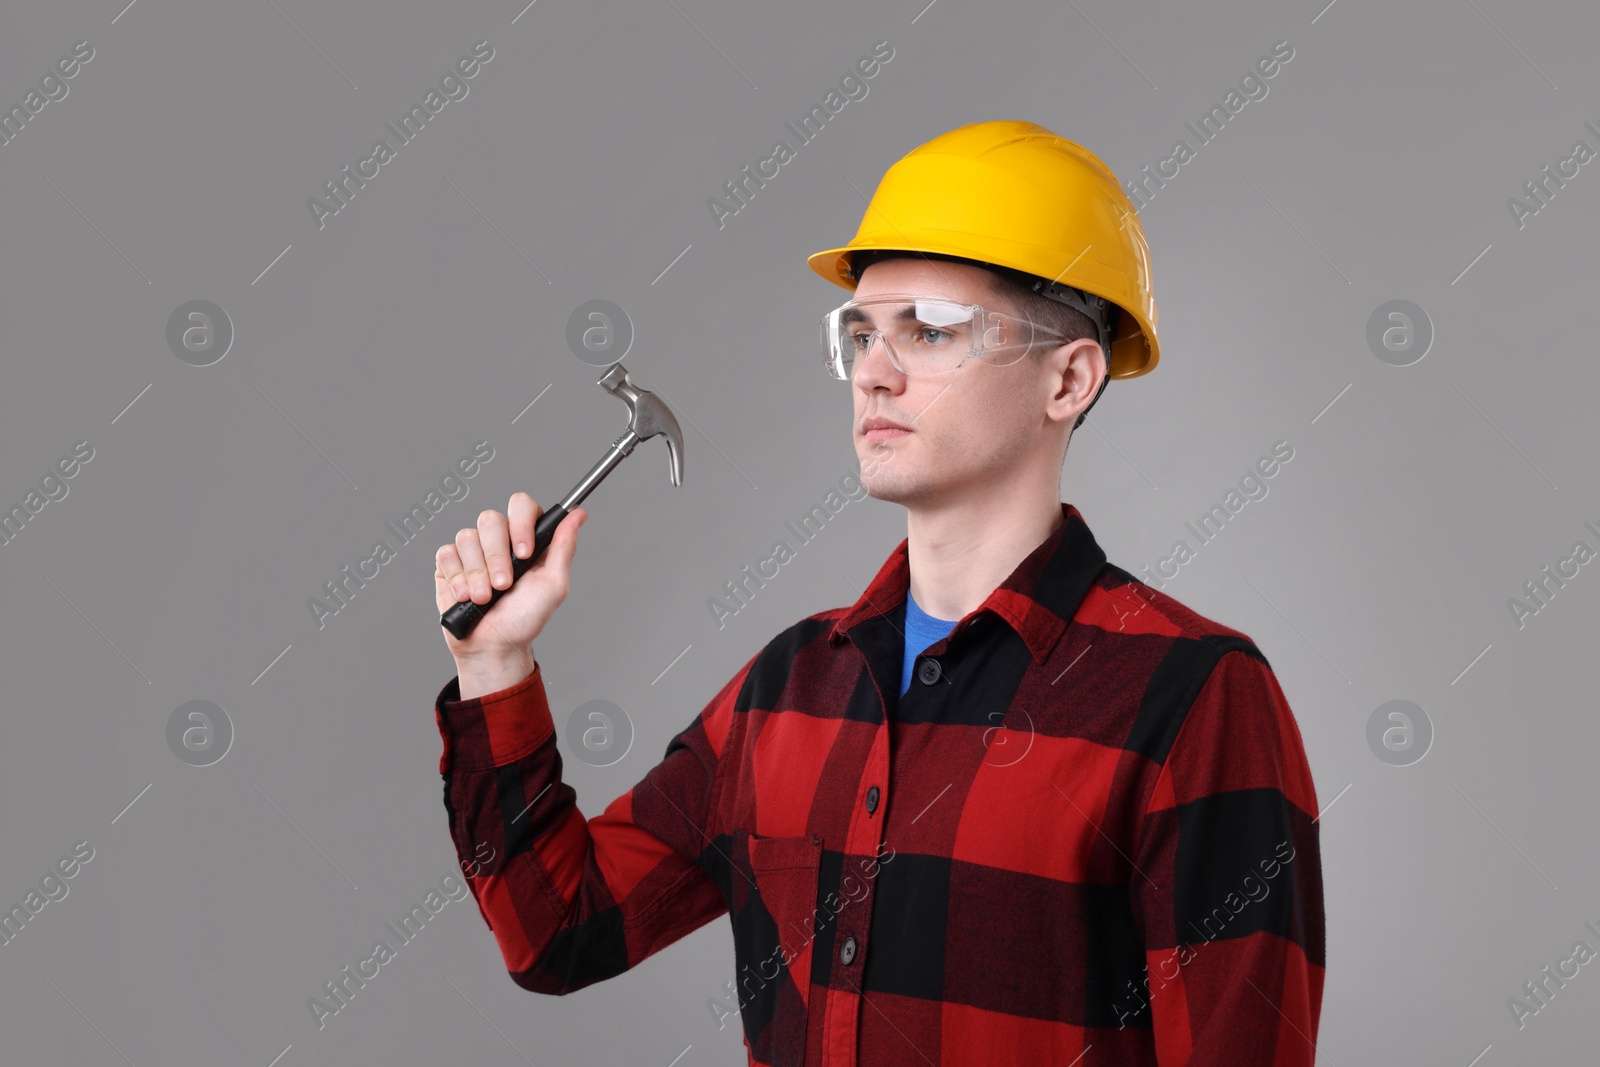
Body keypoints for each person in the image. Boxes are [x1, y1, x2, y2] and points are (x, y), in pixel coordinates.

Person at [430, 119, 1325, 1066]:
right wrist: (494, 666)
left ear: (1069, 377)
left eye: (930, 331)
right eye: (860, 332)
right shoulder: (787, 690)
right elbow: (560, 930)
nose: (873, 371)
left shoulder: (1196, 699)